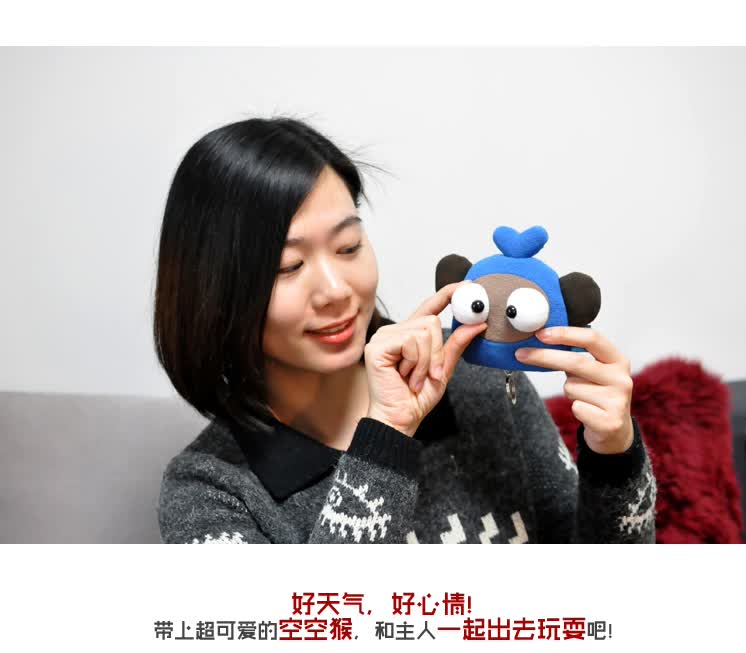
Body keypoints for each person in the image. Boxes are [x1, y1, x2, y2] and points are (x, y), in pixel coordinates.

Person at [154, 116, 656, 544]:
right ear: (213, 289)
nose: (336, 290)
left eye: (349, 247)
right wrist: (387, 433)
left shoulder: (478, 380)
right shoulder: (208, 492)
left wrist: (614, 455)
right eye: (288, 267)